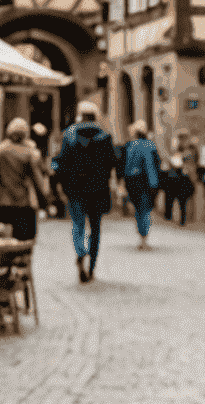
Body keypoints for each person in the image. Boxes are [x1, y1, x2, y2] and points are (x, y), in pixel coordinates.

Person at [51, 99, 116, 282]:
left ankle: (81, 252)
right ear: (95, 116)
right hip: (98, 189)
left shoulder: (69, 135)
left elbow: (62, 162)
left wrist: (61, 185)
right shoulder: (105, 136)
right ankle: (92, 266)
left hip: (75, 189)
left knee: (78, 225)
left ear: (80, 116)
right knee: (95, 228)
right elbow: (112, 162)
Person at [0, 117, 50, 241]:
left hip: (3, 203)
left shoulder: (1, 149)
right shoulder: (29, 152)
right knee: (24, 241)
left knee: (3, 239)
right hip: (23, 204)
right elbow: (37, 180)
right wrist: (44, 201)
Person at [123, 120, 161, 250]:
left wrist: (123, 183)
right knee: (145, 211)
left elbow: (124, 166)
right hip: (149, 183)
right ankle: (144, 238)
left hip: (133, 182)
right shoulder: (151, 146)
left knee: (139, 211)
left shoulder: (130, 146)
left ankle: (142, 237)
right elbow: (157, 166)